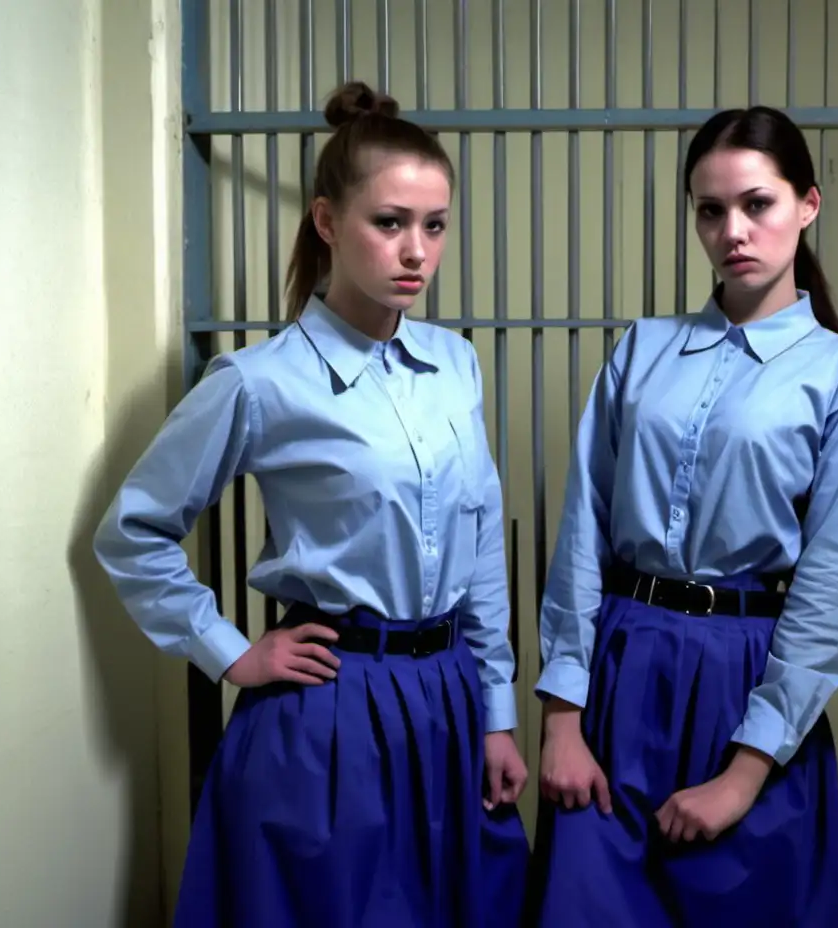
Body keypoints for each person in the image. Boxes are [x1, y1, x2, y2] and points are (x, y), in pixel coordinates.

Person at [94, 81, 530, 928]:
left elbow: (479, 543)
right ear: (328, 222)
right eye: (390, 222)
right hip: (330, 712)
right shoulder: (257, 383)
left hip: (448, 699)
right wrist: (229, 652)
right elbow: (134, 531)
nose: (417, 251)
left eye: (434, 226)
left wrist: (498, 714)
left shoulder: (456, 363)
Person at [528, 105, 838, 927]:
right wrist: (562, 719)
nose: (733, 230)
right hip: (621, 669)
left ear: (808, 205)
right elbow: (582, 527)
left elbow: (836, 583)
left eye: (757, 204)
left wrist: (744, 772)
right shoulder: (641, 349)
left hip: (750, 686)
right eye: (710, 209)